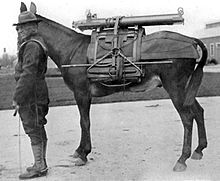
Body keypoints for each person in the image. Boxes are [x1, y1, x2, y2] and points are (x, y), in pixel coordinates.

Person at [13, 9, 49, 180]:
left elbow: (28, 73)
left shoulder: (32, 46)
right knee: (38, 127)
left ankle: (39, 166)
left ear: (30, 27)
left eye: (21, 27)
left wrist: (17, 97)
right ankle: (40, 163)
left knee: (33, 129)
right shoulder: (37, 42)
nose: (19, 31)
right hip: (38, 92)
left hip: (32, 95)